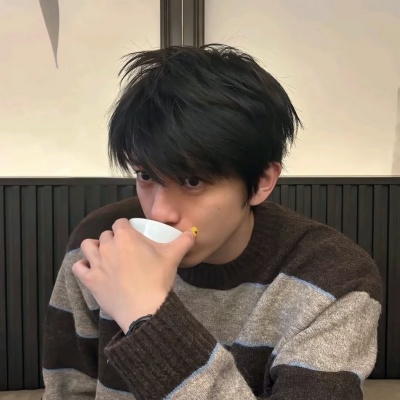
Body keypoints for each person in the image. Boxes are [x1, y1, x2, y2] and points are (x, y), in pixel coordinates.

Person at [42, 44, 381, 399]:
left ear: (262, 181)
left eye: (193, 181)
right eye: (145, 175)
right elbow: (68, 392)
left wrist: (148, 318)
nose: (159, 213)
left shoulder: (332, 277)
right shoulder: (100, 244)